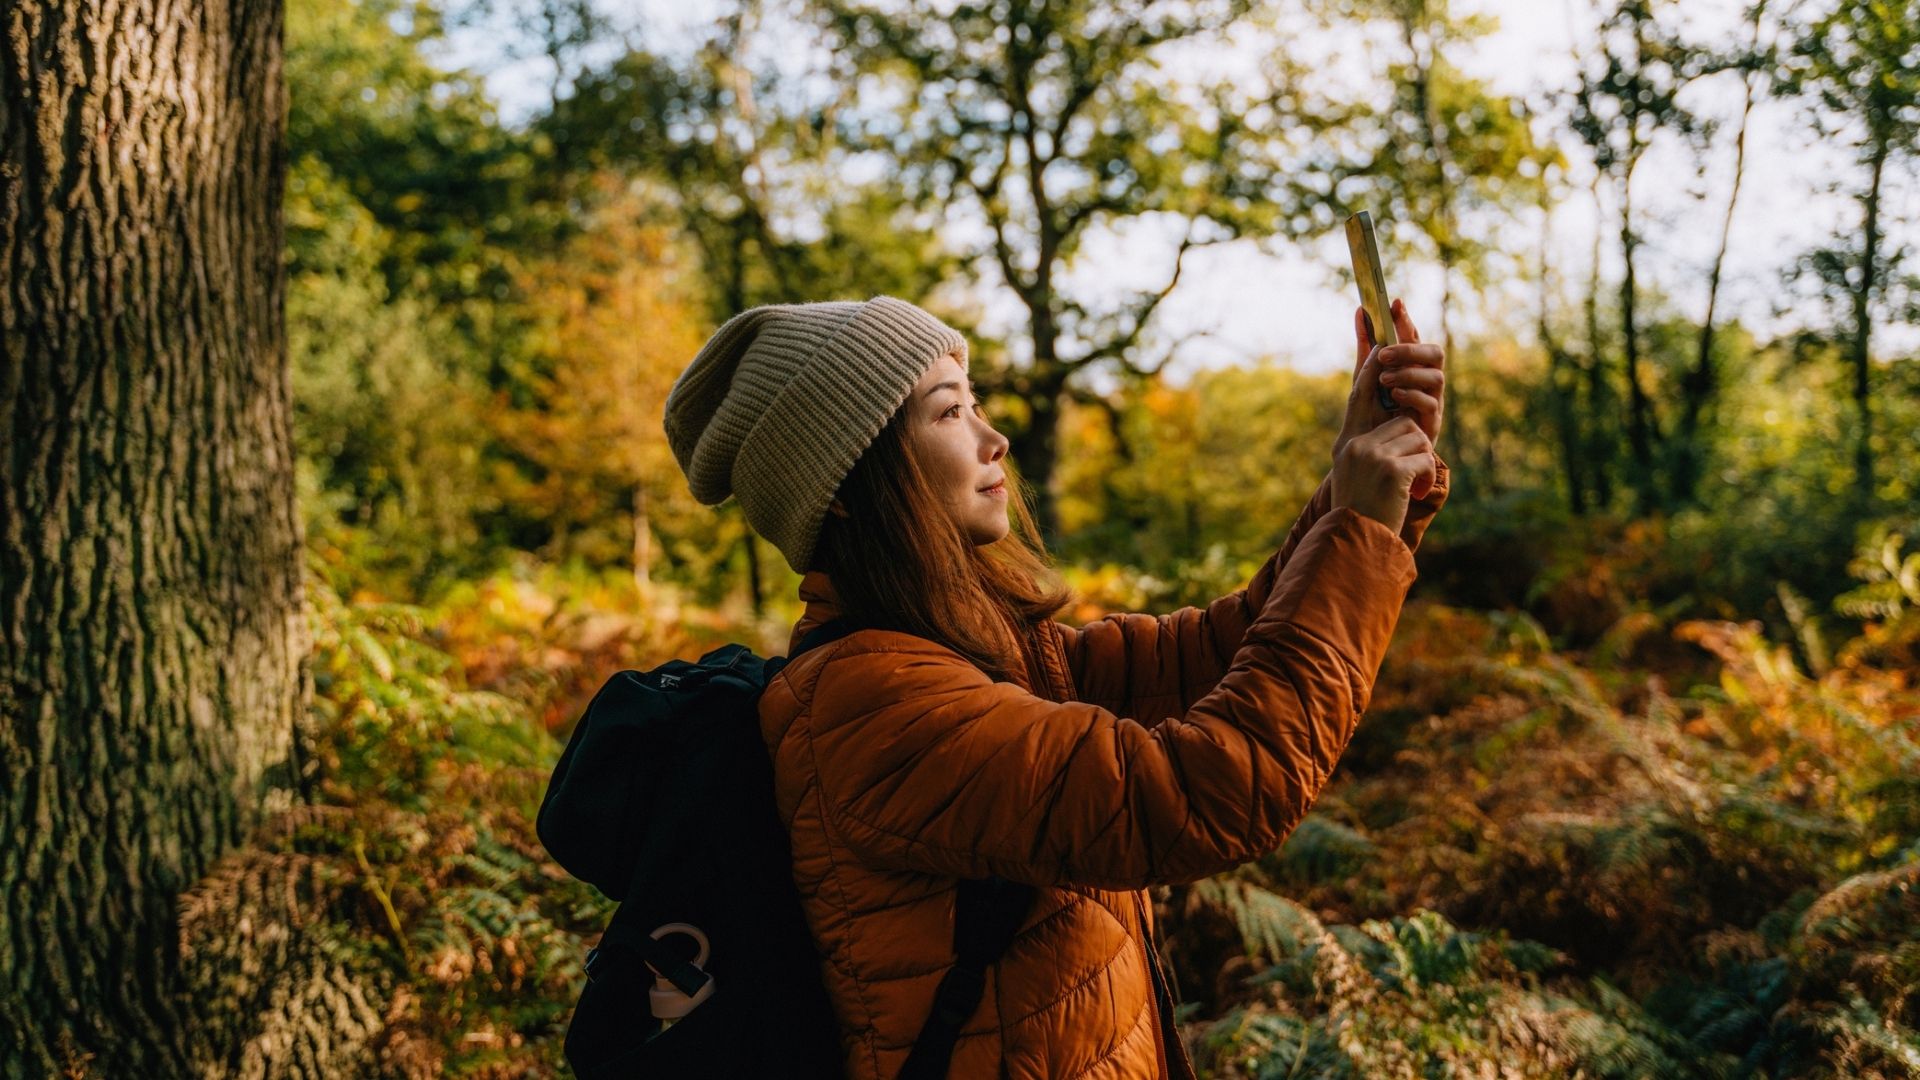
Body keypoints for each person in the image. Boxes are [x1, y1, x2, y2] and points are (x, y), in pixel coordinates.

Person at [662, 294, 1448, 1080]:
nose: (993, 438)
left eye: (976, 405)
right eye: (948, 414)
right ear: (845, 484)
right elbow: (1207, 791)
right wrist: (1359, 537)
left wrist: (1360, 492)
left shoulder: (985, 652)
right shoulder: (875, 703)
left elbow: (1212, 651)